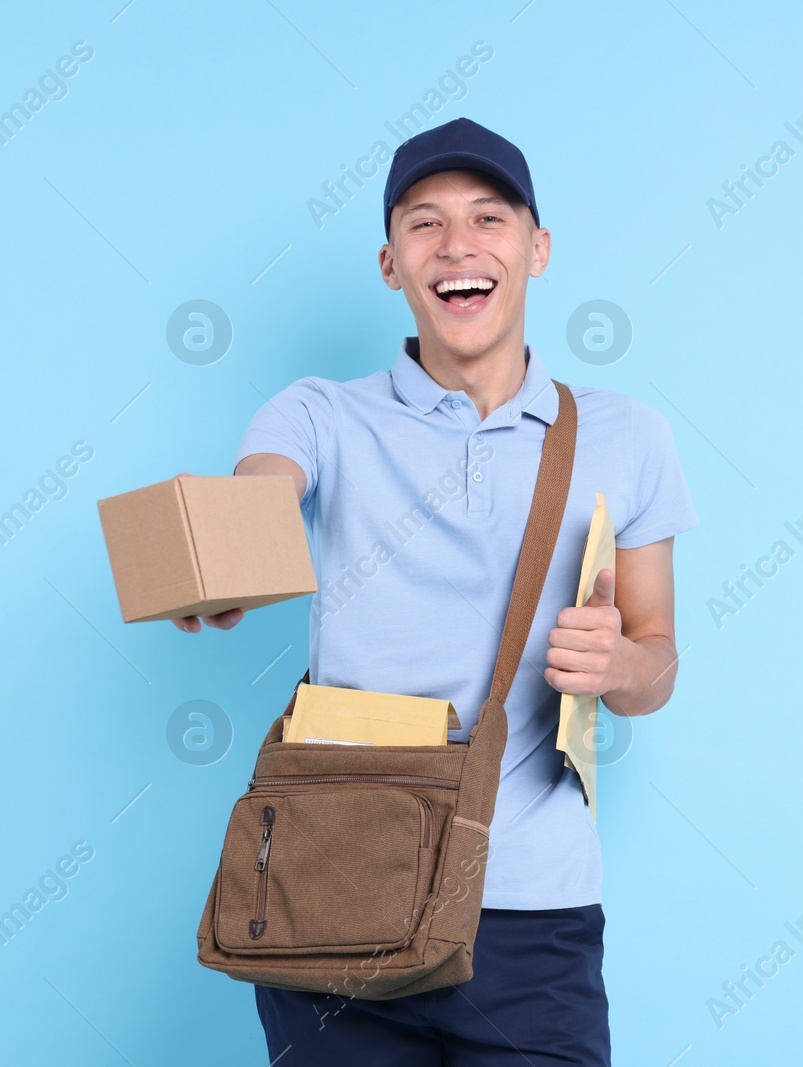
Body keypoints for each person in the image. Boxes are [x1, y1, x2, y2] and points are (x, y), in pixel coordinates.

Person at [174, 117, 696, 1066]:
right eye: (425, 224)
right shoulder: (319, 413)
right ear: (390, 264)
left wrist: (620, 662)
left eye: (488, 219)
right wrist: (225, 561)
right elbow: (262, 489)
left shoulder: (629, 436)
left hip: (532, 910)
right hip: (336, 887)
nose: (457, 245)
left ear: (536, 250)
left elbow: (658, 662)